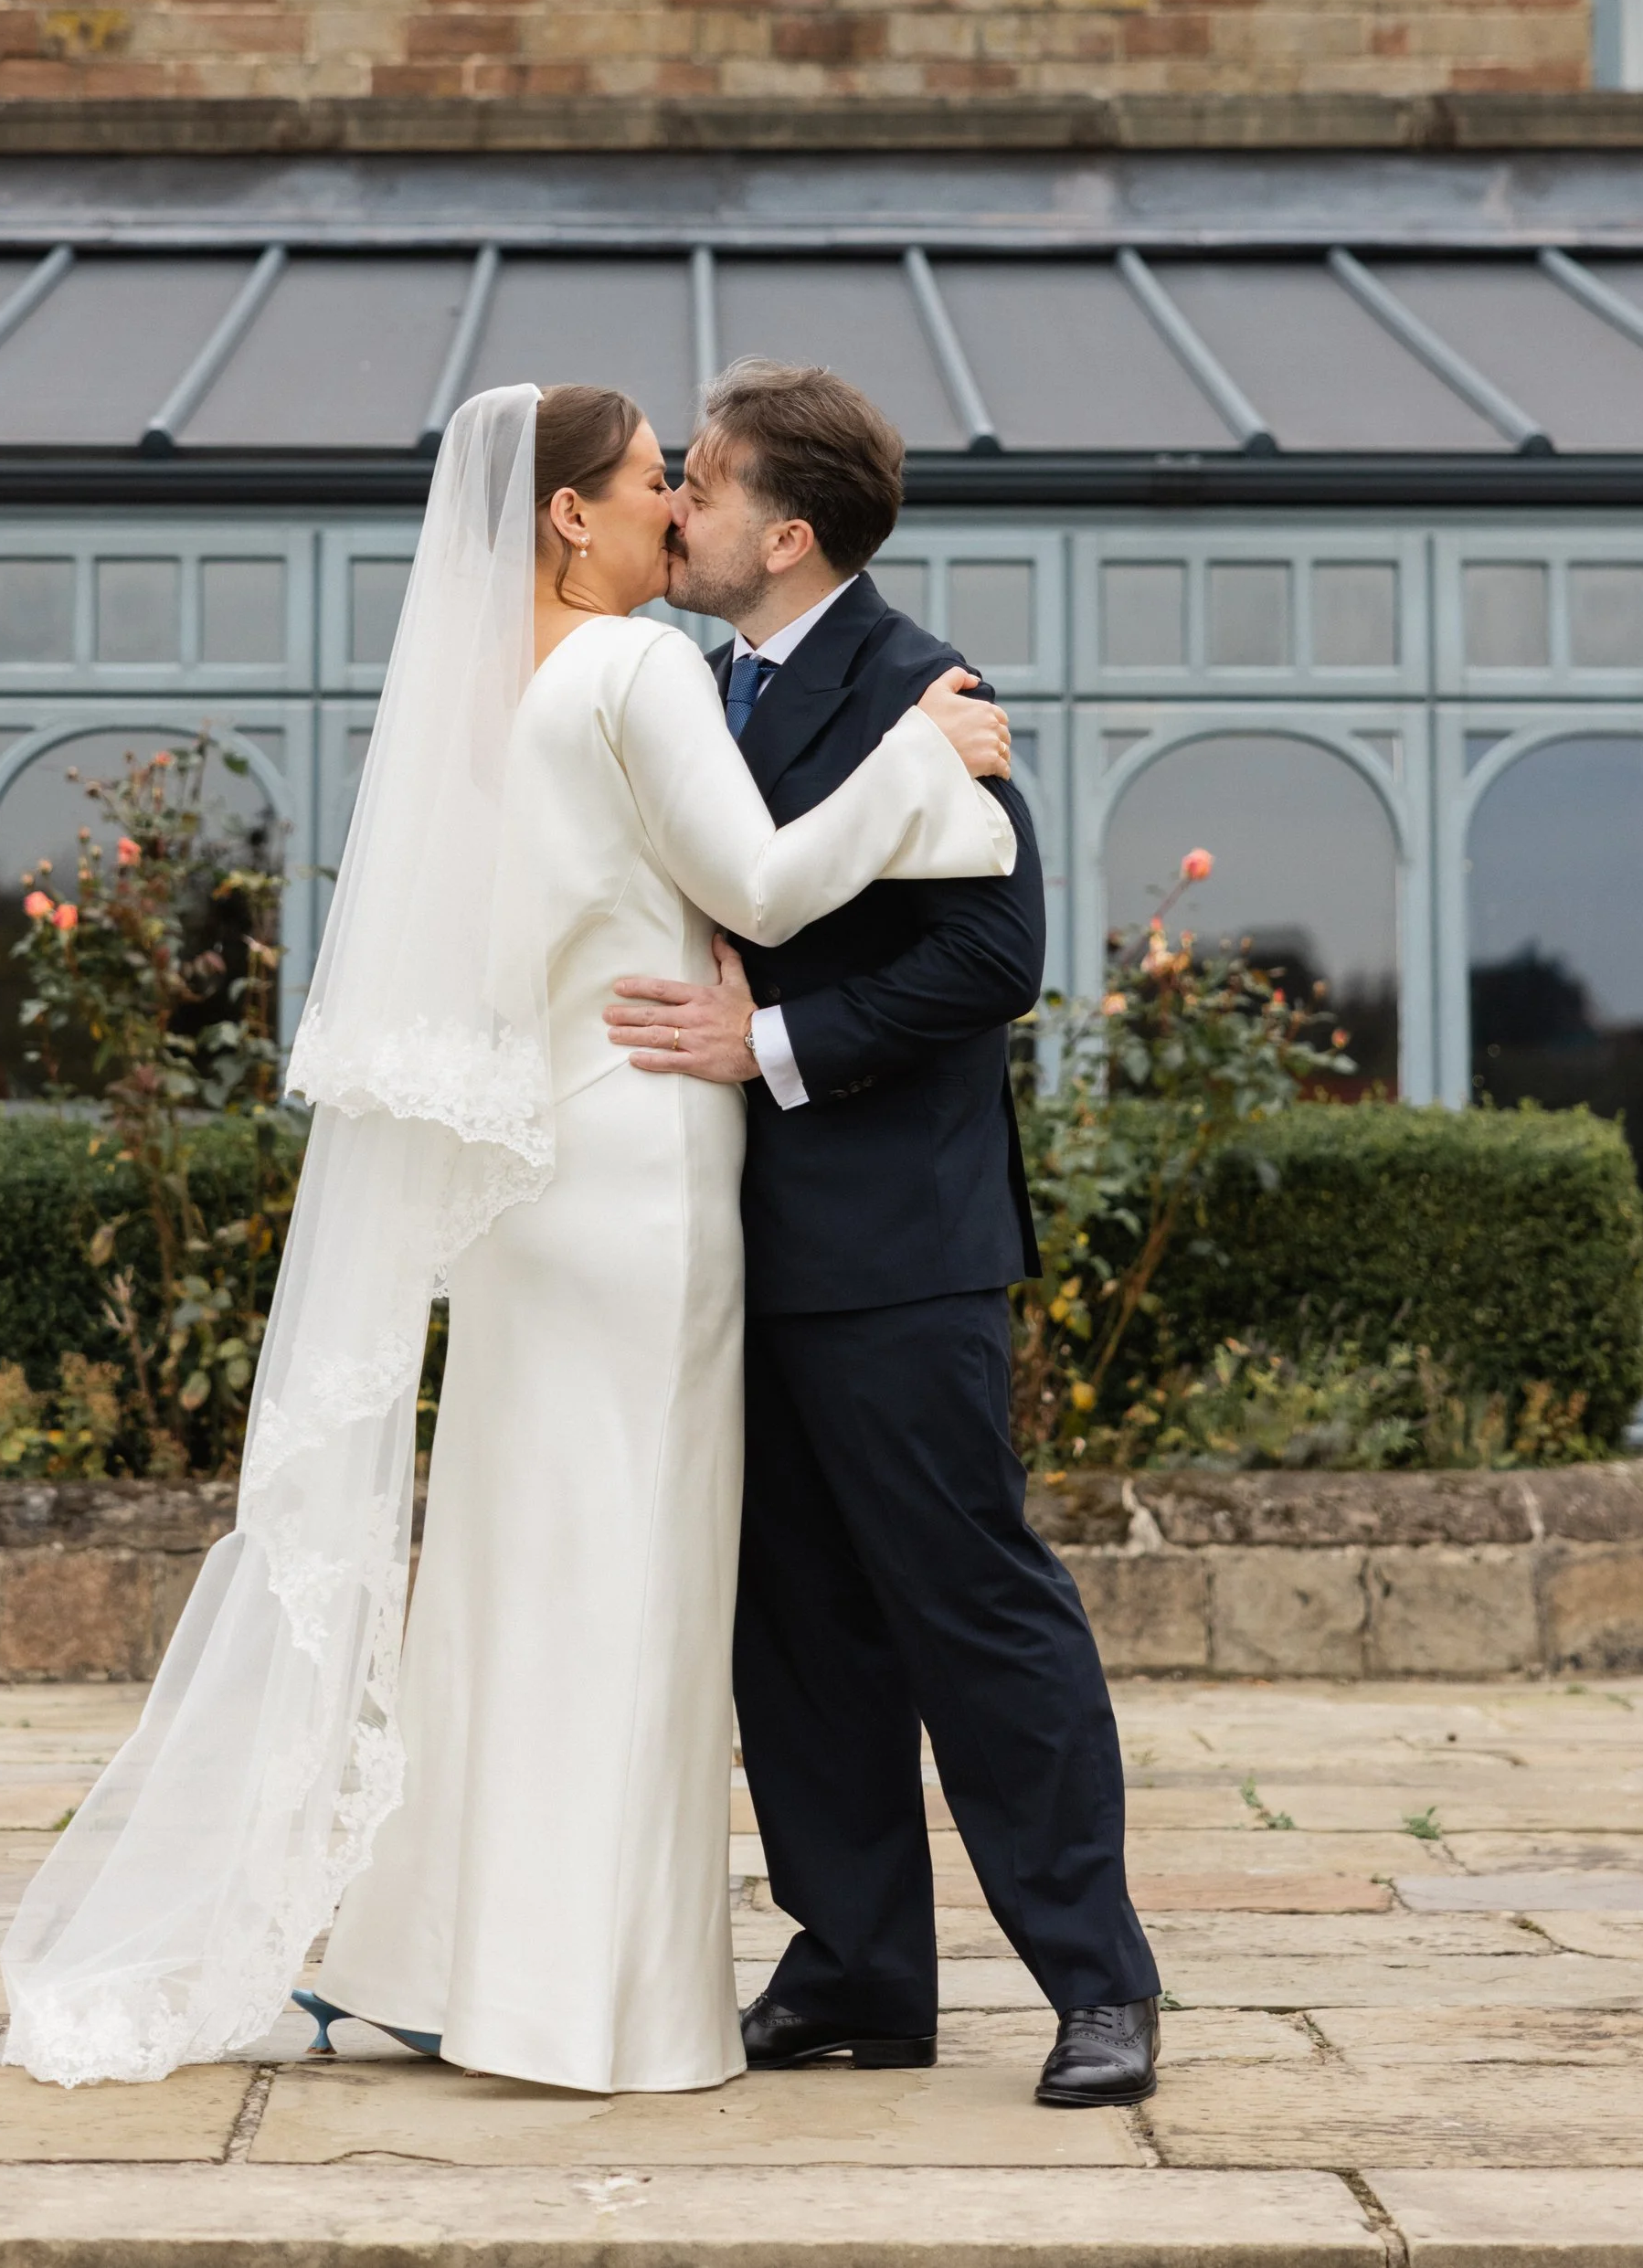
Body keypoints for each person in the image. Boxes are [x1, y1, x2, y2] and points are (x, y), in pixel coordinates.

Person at [1, 380, 1014, 2094]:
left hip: (534, 1174)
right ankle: (583, 2000)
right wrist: (925, 762)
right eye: (645, 482)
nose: (671, 508)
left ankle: (437, 1957)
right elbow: (762, 889)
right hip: (644, 1168)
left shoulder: (491, 688)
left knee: (511, 1565)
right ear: (567, 515)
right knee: (630, 1583)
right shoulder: (629, 667)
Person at [606, 359, 1161, 2111]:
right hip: (729, 1242)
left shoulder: (931, 689)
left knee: (973, 1608)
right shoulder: (698, 683)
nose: (673, 506)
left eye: (695, 480)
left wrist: (766, 1044)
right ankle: (857, 1970)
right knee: (795, 1627)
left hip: (900, 1246)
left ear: (788, 527)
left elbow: (997, 961)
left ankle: (1100, 1983)